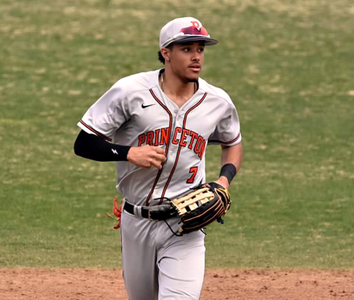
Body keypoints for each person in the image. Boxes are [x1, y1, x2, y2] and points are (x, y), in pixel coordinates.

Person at [74, 16, 243, 300]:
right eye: (187, 49)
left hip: (185, 224)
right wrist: (129, 153)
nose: (196, 57)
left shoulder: (217, 101)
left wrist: (224, 180)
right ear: (166, 52)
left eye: (200, 49)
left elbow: (232, 142)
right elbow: (84, 143)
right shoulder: (130, 91)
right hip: (135, 221)